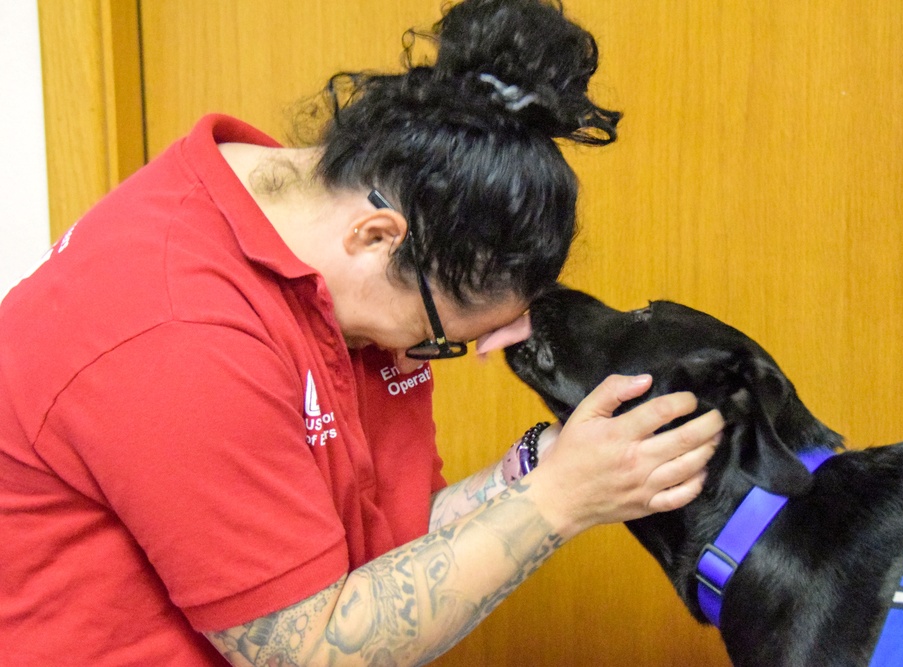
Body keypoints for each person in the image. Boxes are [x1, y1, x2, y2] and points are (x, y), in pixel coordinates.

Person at [0, 0, 723, 664]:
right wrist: (559, 504)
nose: (421, 358)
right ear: (378, 235)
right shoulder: (178, 332)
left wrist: (540, 466)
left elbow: (392, 550)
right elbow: (312, 651)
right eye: (440, 337)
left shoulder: (316, 261)